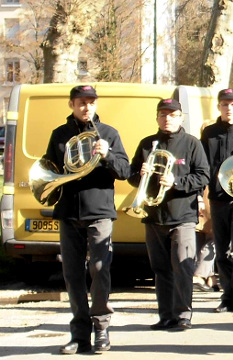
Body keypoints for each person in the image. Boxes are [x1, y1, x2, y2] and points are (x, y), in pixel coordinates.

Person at [45, 85, 131, 354]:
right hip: (69, 212)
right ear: (71, 104)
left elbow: (125, 171)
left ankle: (101, 328)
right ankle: (80, 334)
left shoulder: (109, 134)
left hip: (99, 212)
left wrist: (107, 155)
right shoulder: (59, 135)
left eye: (91, 102)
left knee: (99, 268)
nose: (87, 107)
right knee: (72, 275)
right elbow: (50, 171)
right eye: (81, 102)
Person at [129, 98, 210, 332]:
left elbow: (203, 176)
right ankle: (166, 315)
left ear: (180, 118)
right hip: (154, 216)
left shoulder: (192, 143)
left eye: (173, 115)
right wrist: (139, 173)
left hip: (182, 216)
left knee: (182, 268)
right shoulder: (147, 144)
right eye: (163, 115)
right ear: (157, 118)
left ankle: (184, 314)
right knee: (160, 268)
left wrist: (177, 182)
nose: (167, 119)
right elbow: (132, 177)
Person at [200, 88, 233, 313]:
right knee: (221, 251)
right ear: (219, 106)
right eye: (224, 104)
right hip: (218, 198)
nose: (228, 108)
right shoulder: (209, 133)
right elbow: (203, 166)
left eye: (232, 104)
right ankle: (227, 295)